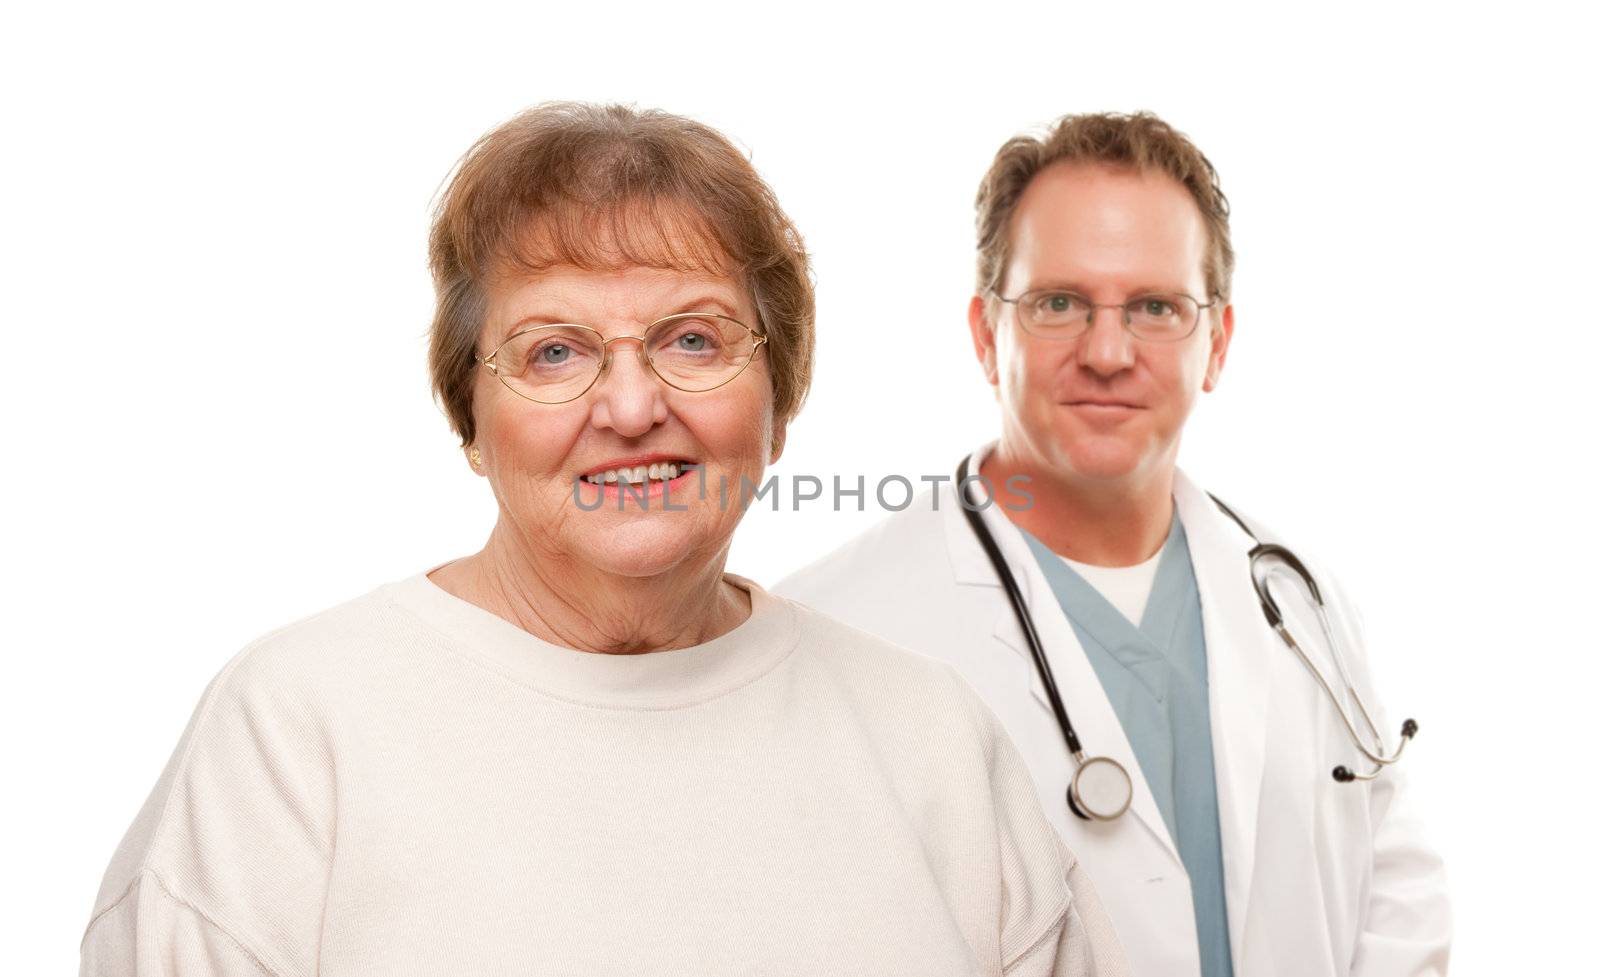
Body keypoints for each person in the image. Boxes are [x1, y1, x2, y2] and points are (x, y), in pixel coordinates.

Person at [78, 104, 1126, 977]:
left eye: (692, 340)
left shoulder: (932, 737)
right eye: (553, 352)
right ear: (470, 417)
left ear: (780, 398)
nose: (630, 406)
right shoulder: (296, 733)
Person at [776, 112, 1451, 976]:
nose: (1106, 351)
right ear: (987, 335)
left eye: (1156, 307)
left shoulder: (1301, 601)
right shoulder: (841, 629)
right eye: (1059, 303)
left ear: (1217, 342)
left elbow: (1393, 876)